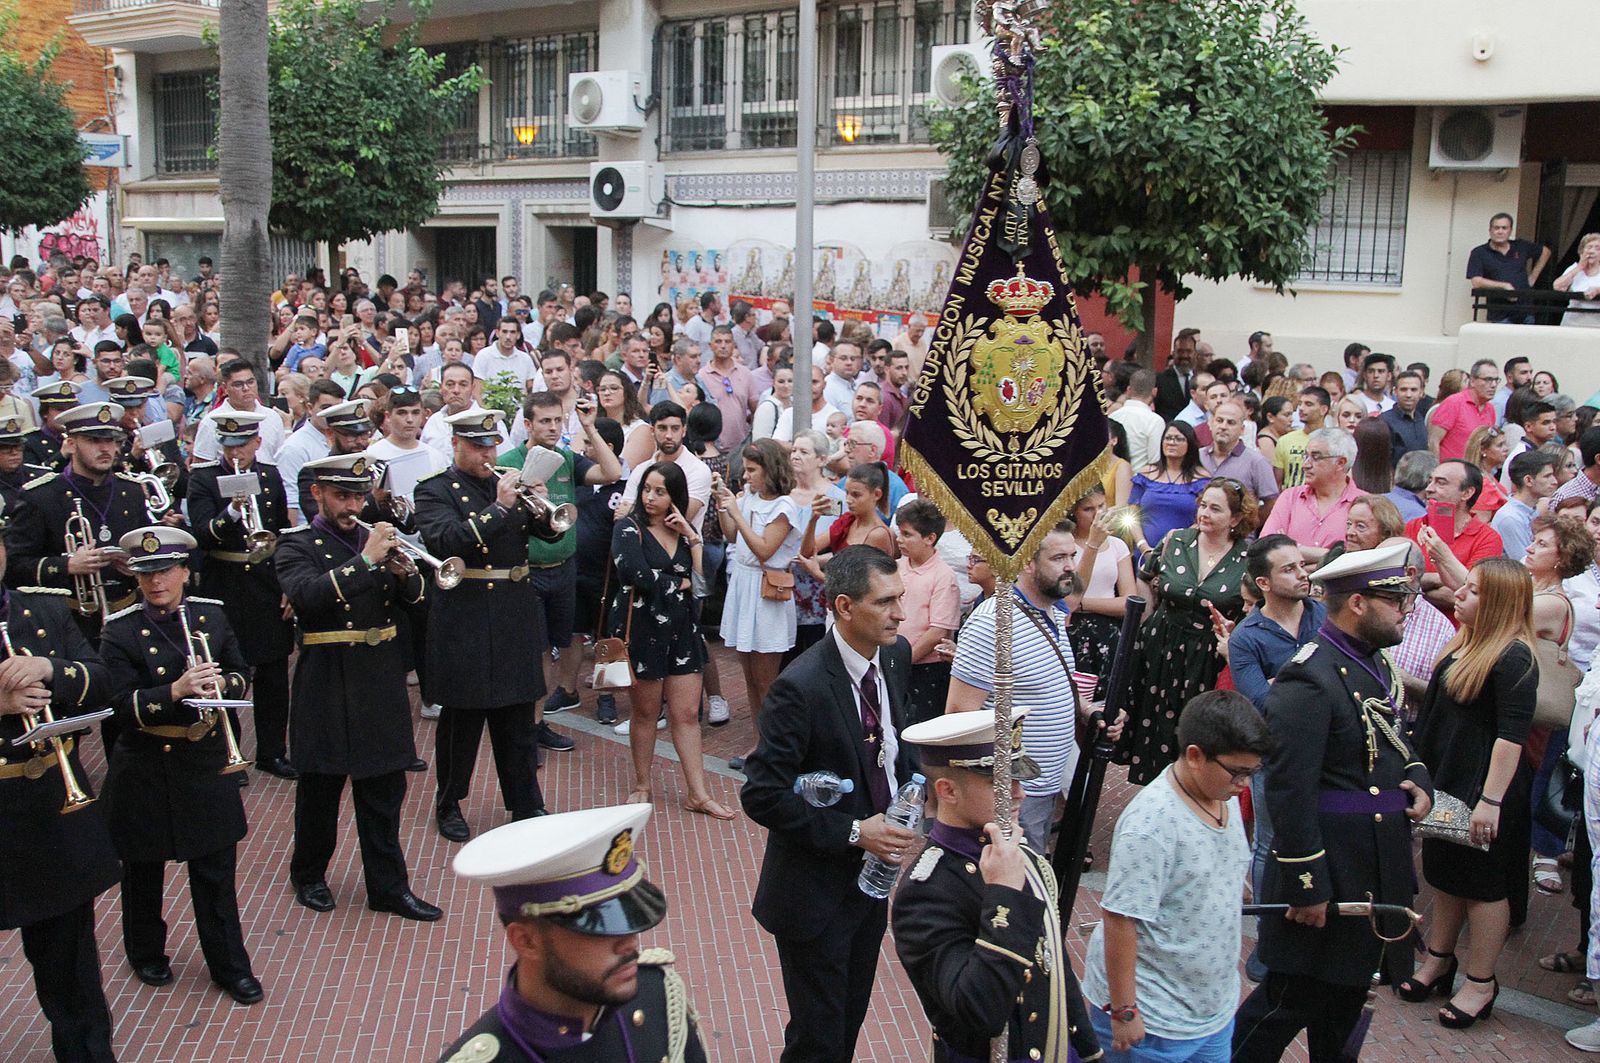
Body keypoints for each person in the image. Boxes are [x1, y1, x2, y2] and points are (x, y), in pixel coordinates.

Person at [1231, 542, 1433, 1063]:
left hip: (1371, 861)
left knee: (1345, 1000)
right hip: (1330, 872)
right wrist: (1307, 884)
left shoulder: (1372, 663)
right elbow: (1288, 789)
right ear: (1359, 604)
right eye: (1395, 600)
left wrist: (1415, 774)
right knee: (1287, 1002)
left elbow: (1391, 735)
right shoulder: (1310, 676)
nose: (1406, 608)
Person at [740, 546, 920, 1063]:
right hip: (813, 896)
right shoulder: (801, 686)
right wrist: (854, 831)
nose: (900, 614)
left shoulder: (896, 655)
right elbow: (762, 793)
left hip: (871, 887)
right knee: (816, 1039)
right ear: (843, 606)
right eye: (885, 602)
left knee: (846, 1024)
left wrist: (911, 792)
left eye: (900, 599)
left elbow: (894, 741)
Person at [98, 525, 263, 1006]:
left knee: (215, 871)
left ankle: (230, 966)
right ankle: (145, 951)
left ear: (185, 572)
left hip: (202, 758)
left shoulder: (210, 616)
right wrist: (173, 692)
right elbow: (118, 706)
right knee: (143, 870)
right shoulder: (120, 629)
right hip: (146, 763)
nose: (155, 583)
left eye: (165, 571)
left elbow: (240, 672)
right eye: (146, 573)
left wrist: (223, 686)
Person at [273, 453, 442, 921]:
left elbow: (420, 607)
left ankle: (389, 887)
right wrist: (366, 563)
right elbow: (306, 597)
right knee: (320, 791)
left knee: (383, 792)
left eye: (357, 495)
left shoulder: (379, 539)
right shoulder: (297, 545)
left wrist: (407, 576)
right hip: (326, 676)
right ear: (318, 494)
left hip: (378, 677)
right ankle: (308, 874)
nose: (352, 504)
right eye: (341, 495)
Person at [892, 708, 1101, 1063]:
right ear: (948, 790)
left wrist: (1089, 1052)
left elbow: (1053, 966)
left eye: (1017, 779)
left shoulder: (1022, 857)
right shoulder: (925, 891)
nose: (1019, 793)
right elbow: (980, 1011)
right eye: (1000, 783)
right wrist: (1003, 894)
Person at [438, 803, 708, 1062]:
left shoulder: (655, 992)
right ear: (526, 941)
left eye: (630, 922)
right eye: (599, 929)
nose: (630, 943)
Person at [1085, 690, 1269, 1062]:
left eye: (1253, 773)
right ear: (1196, 756)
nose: (1245, 785)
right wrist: (1125, 1011)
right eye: (1238, 772)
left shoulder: (1222, 796)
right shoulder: (1150, 825)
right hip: (1152, 1024)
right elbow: (1120, 920)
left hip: (1211, 1013)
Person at [0, 501, 121, 1062]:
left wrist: (51, 671)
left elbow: (101, 679)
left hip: (49, 806)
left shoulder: (41, 611)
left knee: (71, 968)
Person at [1403, 557, 1538, 1028]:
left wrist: (1491, 801)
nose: (1458, 593)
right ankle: (1439, 958)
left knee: (1483, 885)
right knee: (1444, 871)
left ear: (1499, 602)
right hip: (1448, 777)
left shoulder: (1514, 656)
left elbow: (1511, 736)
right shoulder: (1465, 642)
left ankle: (1481, 981)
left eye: (1474, 590)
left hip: (1485, 787)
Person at [416, 408, 550, 843]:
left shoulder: (507, 480)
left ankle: (526, 801)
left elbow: (547, 533)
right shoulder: (434, 491)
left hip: (513, 610)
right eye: (476, 446)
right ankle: (450, 801)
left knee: (517, 713)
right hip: (466, 613)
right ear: (456, 444)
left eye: (490, 445)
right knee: (462, 719)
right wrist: (498, 508)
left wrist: (541, 506)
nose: (486, 454)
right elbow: (444, 541)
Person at [497, 391, 621, 746]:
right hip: (527, 571)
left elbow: (611, 472)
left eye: (557, 420)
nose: (552, 427)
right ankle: (523, 728)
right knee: (534, 653)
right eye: (544, 421)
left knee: (555, 646)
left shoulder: (565, 458)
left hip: (564, 567)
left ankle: (534, 725)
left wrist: (589, 427)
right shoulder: (509, 461)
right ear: (527, 424)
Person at [609, 461, 732, 819]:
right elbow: (635, 574)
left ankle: (698, 793)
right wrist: (677, 582)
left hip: (682, 630)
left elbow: (702, 583)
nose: (650, 497)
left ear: (674, 496)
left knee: (687, 714)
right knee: (646, 712)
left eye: (660, 491)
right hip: (644, 630)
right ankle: (642, 784)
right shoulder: (627, 528)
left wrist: (693, 539)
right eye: (647, 489)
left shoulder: (684, 529)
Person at [185, 409, 297, 779]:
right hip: (225, 583)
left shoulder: (269, 475)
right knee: (226, 669)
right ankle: (230, 751)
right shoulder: (203, 478)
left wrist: (287, 584)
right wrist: (232, 511)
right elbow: (201, 533)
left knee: (273, 676)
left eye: (244, 445)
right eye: (230, 445)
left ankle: (272, 751)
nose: (237, 454)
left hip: (265, 582)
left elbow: (281, 532)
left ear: (257, 443)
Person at [1124, 480, 1255, 787]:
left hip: (1206, 657)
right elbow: (1145, 576)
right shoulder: (1177, 541)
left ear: (1235, 519)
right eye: (1203, 505)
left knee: (1195, 734)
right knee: (1154, 731)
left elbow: (1251, 606)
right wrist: (1146, 620)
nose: (1205, 513)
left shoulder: (1246, 558)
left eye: (1215, 508)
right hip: (1161, 649)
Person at [714, 438, 803, 730]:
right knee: (749, 676)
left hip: (767, 593)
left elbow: (765, 549)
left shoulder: (784, 506)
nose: (746, 475)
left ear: (770, 469)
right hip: (743, 585)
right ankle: (759, 739)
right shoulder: (749, 496)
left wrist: (738, 514)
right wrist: (722, 505)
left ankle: (772, 745)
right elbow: (731, 536)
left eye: (752, 470)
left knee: (766, 679)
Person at [892, 499, 960, 725]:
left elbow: (937, 631)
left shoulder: (943, 576)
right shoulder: (896, 567)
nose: (899, 540)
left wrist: (902, 661)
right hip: (892, 660)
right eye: (899, 533)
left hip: (925, 669)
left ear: (930, 538)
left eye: (907, 534)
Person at [1405, 459, 1506, 613]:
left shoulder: (1488, 539)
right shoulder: (1413, 526)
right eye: (1430, 481)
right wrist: (1437, 579)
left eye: (1441, 483)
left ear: (1467, 493)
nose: (1429, 488)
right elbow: (1398, 580)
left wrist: (1415, 585)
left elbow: (1472, 596)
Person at [1067, 486, 1135, 699]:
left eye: (1101, 506)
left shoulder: (1117, 545)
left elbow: (1130, 603)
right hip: (1072, 631)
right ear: (1074, 512)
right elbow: (1066, 599)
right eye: (1088, 509)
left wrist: (1083, 604)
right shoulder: (1065, 545)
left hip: (1108, 632)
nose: (1098, 515)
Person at [1258, 427, 1360, 563]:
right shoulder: (1290, 497)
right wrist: (1332, 556)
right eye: (1305, 456)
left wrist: (1292, 548)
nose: (1305, 465)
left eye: (1315, 457)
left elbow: (1359, 558)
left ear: (1340, 463)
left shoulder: (1363, 504)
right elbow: (1267, 546)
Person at [1127, 421, 1209, 559]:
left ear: (1190, 444)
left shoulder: (1201, 479)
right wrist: (1143, 546)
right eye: (1168, 438)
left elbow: (1204, 519)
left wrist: (1177, 544)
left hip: (1185, 552)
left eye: (1179, 439)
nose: (1172, 442)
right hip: (1144, 553)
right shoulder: (1145, 474)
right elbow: (1132, 515)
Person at [191, 359, 287, 464]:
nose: (246, 388)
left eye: (250, 382)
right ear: (225, 388)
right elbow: (202, 465)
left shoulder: (272, 417)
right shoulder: (212, 420)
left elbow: (281, 459)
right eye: (238, 384)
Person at [1466, 212, 1552, 323]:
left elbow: (1546, 252)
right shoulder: (1479, 252)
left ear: (1510, 230)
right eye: (1496, 228)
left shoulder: (1521, 246)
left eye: (1504, 228)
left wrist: (1533, 277)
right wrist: (1504, 286)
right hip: (1500, 314)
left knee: (1526, 340)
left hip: (1526, 311)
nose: (1500, 231)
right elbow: (1476, 281)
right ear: (1490, 230)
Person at [1491, 450, 1560, 560]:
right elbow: (1525, 562)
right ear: (1528, 480)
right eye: (1547, 476)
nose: (1555, 481)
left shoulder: (1532, 510)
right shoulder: (1510, 517)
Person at [1429, 359, 1500, 462]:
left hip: (1474, 473)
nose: (1493, 385)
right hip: (1450, 472)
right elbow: (1433, 441)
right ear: (1472, 381)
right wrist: (1436, 470)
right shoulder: (1454, 402)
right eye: (1487, 379)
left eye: (1496, 380)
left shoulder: (1490, 409)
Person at [1109, 368, 1166, 471]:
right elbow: (1155, 460)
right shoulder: (1155, 421)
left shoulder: (1113, 416)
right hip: (1140, 481)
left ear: (1129, 390)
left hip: (1113, 480)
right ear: (1154, 391)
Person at [1555, 232, 1600, 327]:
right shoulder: (1574, 268)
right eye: (1589, 247)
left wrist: (1597, 290)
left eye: (1597, 248)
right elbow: (1557, 286)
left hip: (1596, 324)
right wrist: (1579, 267)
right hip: (1572, 323)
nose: (1591, 251)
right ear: (1582, 251)